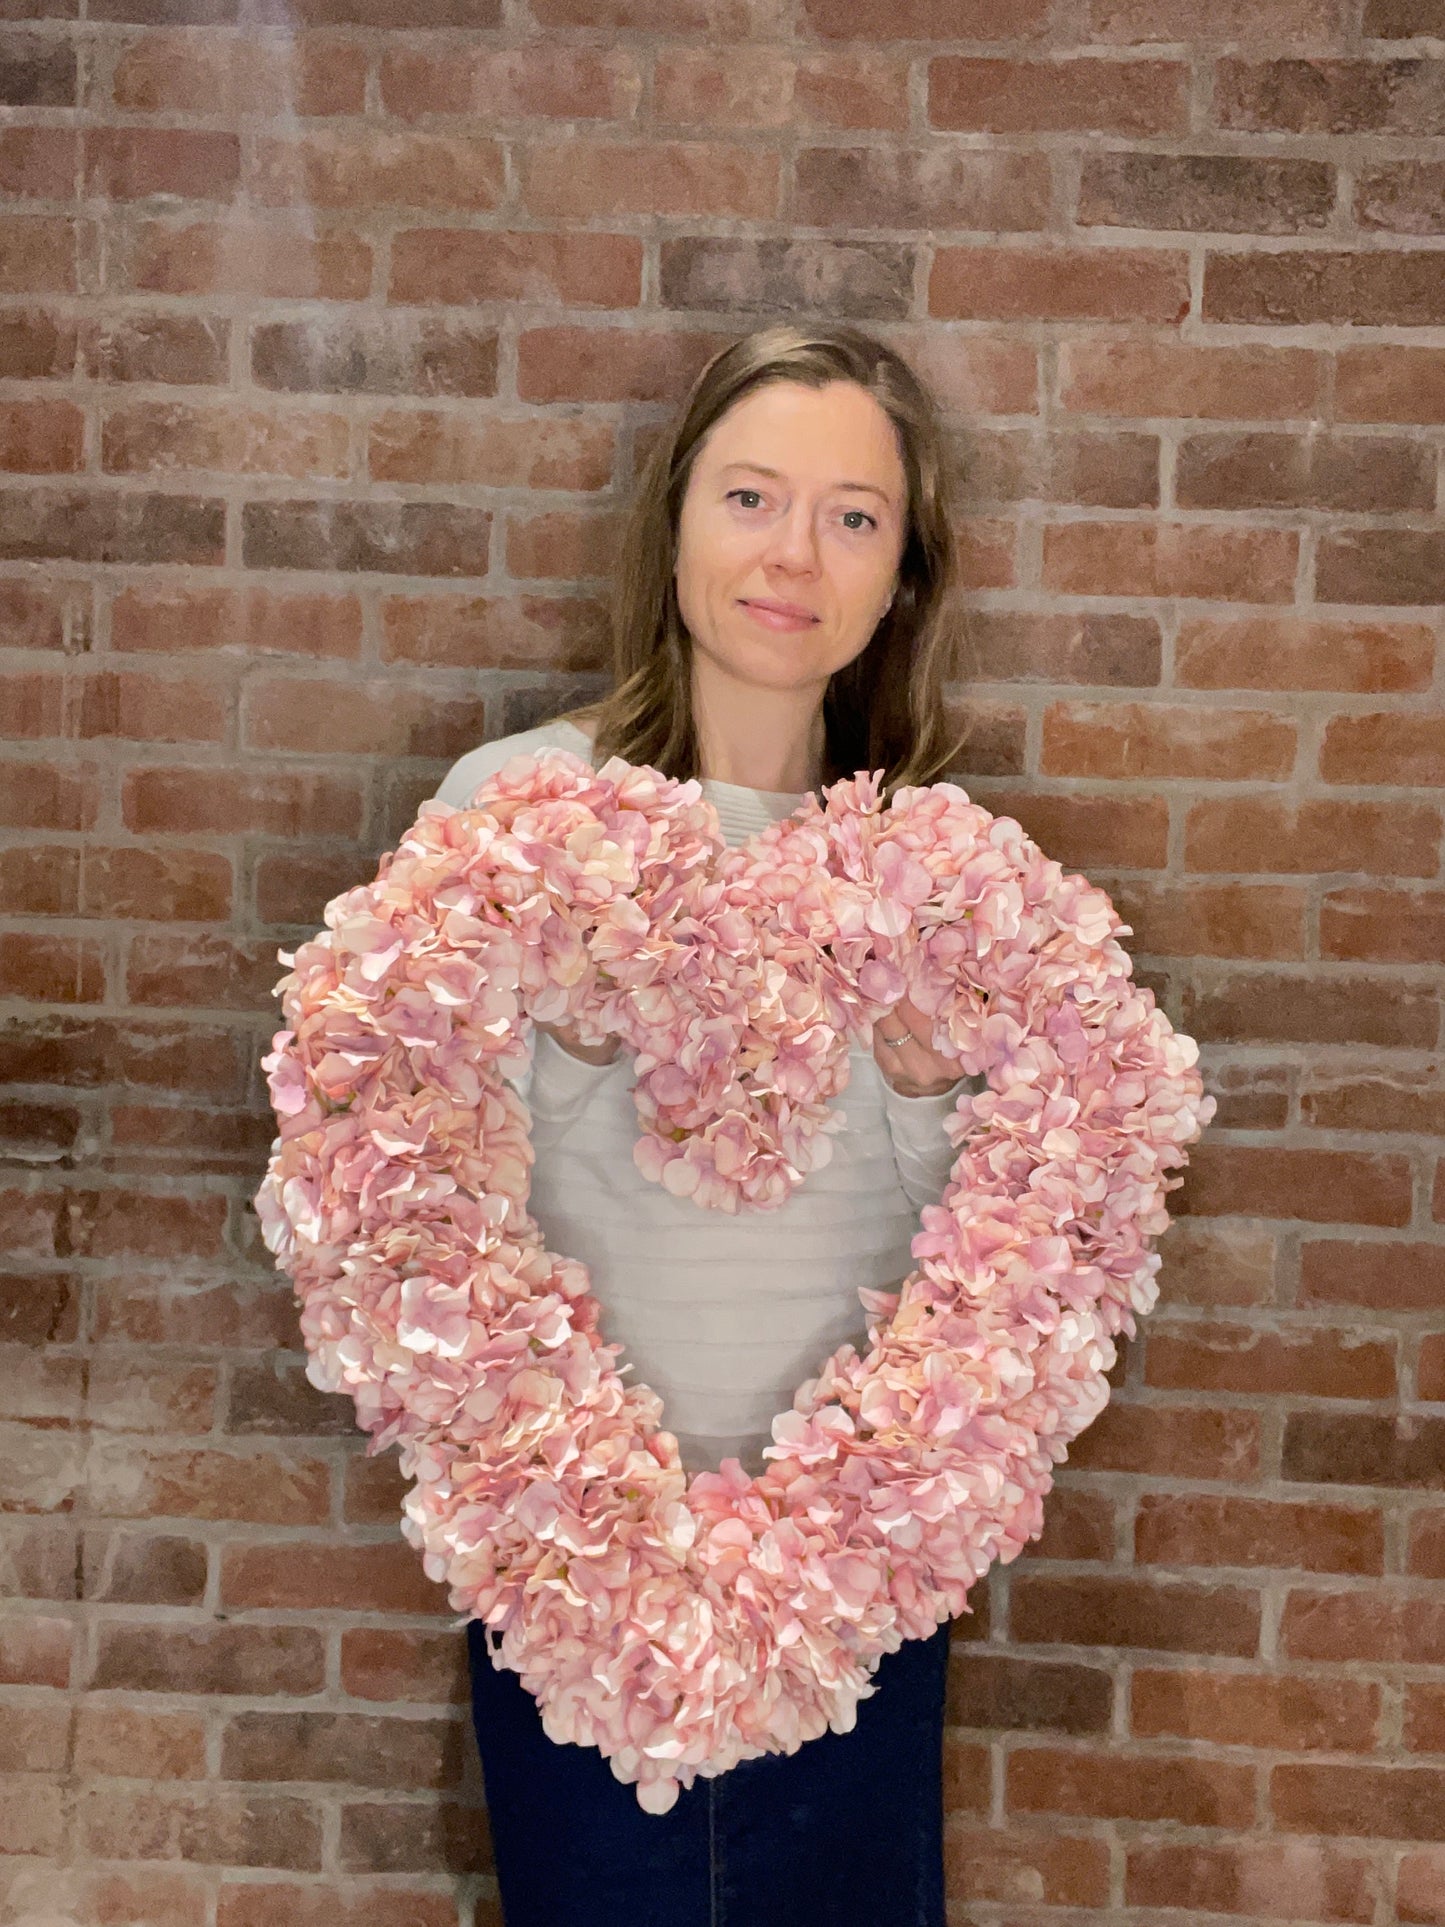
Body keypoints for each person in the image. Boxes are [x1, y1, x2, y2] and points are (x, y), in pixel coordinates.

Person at [432, 322, 981, 1927]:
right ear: (674, 518)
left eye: (854, 517)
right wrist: (574, 1045)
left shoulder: (944, 865)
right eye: (751, 497)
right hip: (585, 1564)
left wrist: (928, 1085)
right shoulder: (516, 806)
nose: (793, 555)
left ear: (901, 573)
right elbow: (396, 1203)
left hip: (859, 1584)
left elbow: (992, 1257)